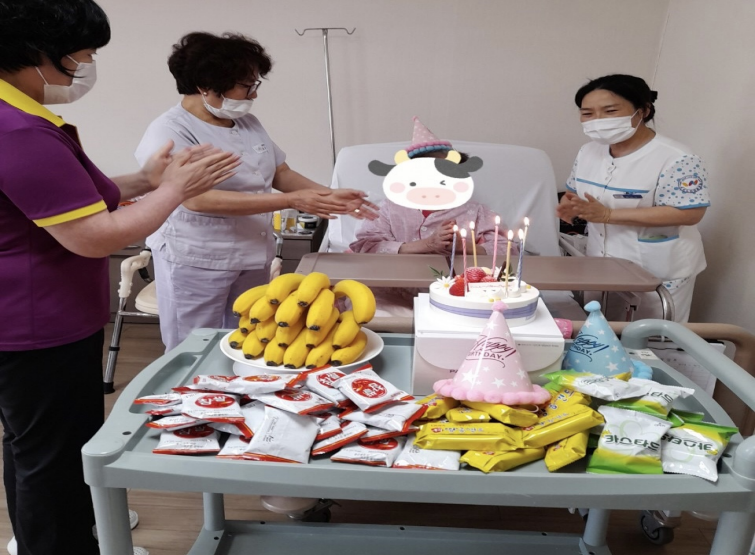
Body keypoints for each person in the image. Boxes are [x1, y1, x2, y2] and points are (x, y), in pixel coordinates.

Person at [0, 2, 239, 554]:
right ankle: (57, 541)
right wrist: (173, 191)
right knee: (49, 452)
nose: (87, 67)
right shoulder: (19, 131)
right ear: (36, 53)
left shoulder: (24, 120)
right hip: (39, 324)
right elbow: (93, 235)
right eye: (83, 55)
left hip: (39, 316)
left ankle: (66, 529)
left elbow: (66, 197)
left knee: (37, 443)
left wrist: (145, 180)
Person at [135, 32, 378, 352]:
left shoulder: (247, 123)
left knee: (250, 338)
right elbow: (195, 198)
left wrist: (329, 195)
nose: (254, 94)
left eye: (255, 84)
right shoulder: (170, 131)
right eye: (246, 85)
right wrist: (292, 201)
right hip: (197, 257)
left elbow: (280, 172)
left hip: (251, 252)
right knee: (194, 346)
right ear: (205, 85)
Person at [556, 74, 709, 323]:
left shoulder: (676, 157)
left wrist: (609, 215)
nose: (598, 120)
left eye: (610, 111)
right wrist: (570, 205)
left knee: (650, 338)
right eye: (587, 113)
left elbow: (690, 213)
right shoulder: (588, 151)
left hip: (657, 270)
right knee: (599, 331)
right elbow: (573, 191)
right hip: (601, 265)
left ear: (643, 110)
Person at [350, 117, 510, 258]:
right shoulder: (388, 209)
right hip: (396, 280)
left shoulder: (476, 212)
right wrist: (426, 244)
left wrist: (462, 246)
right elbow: (365, 247)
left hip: (456, 281)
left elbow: (509, 249)